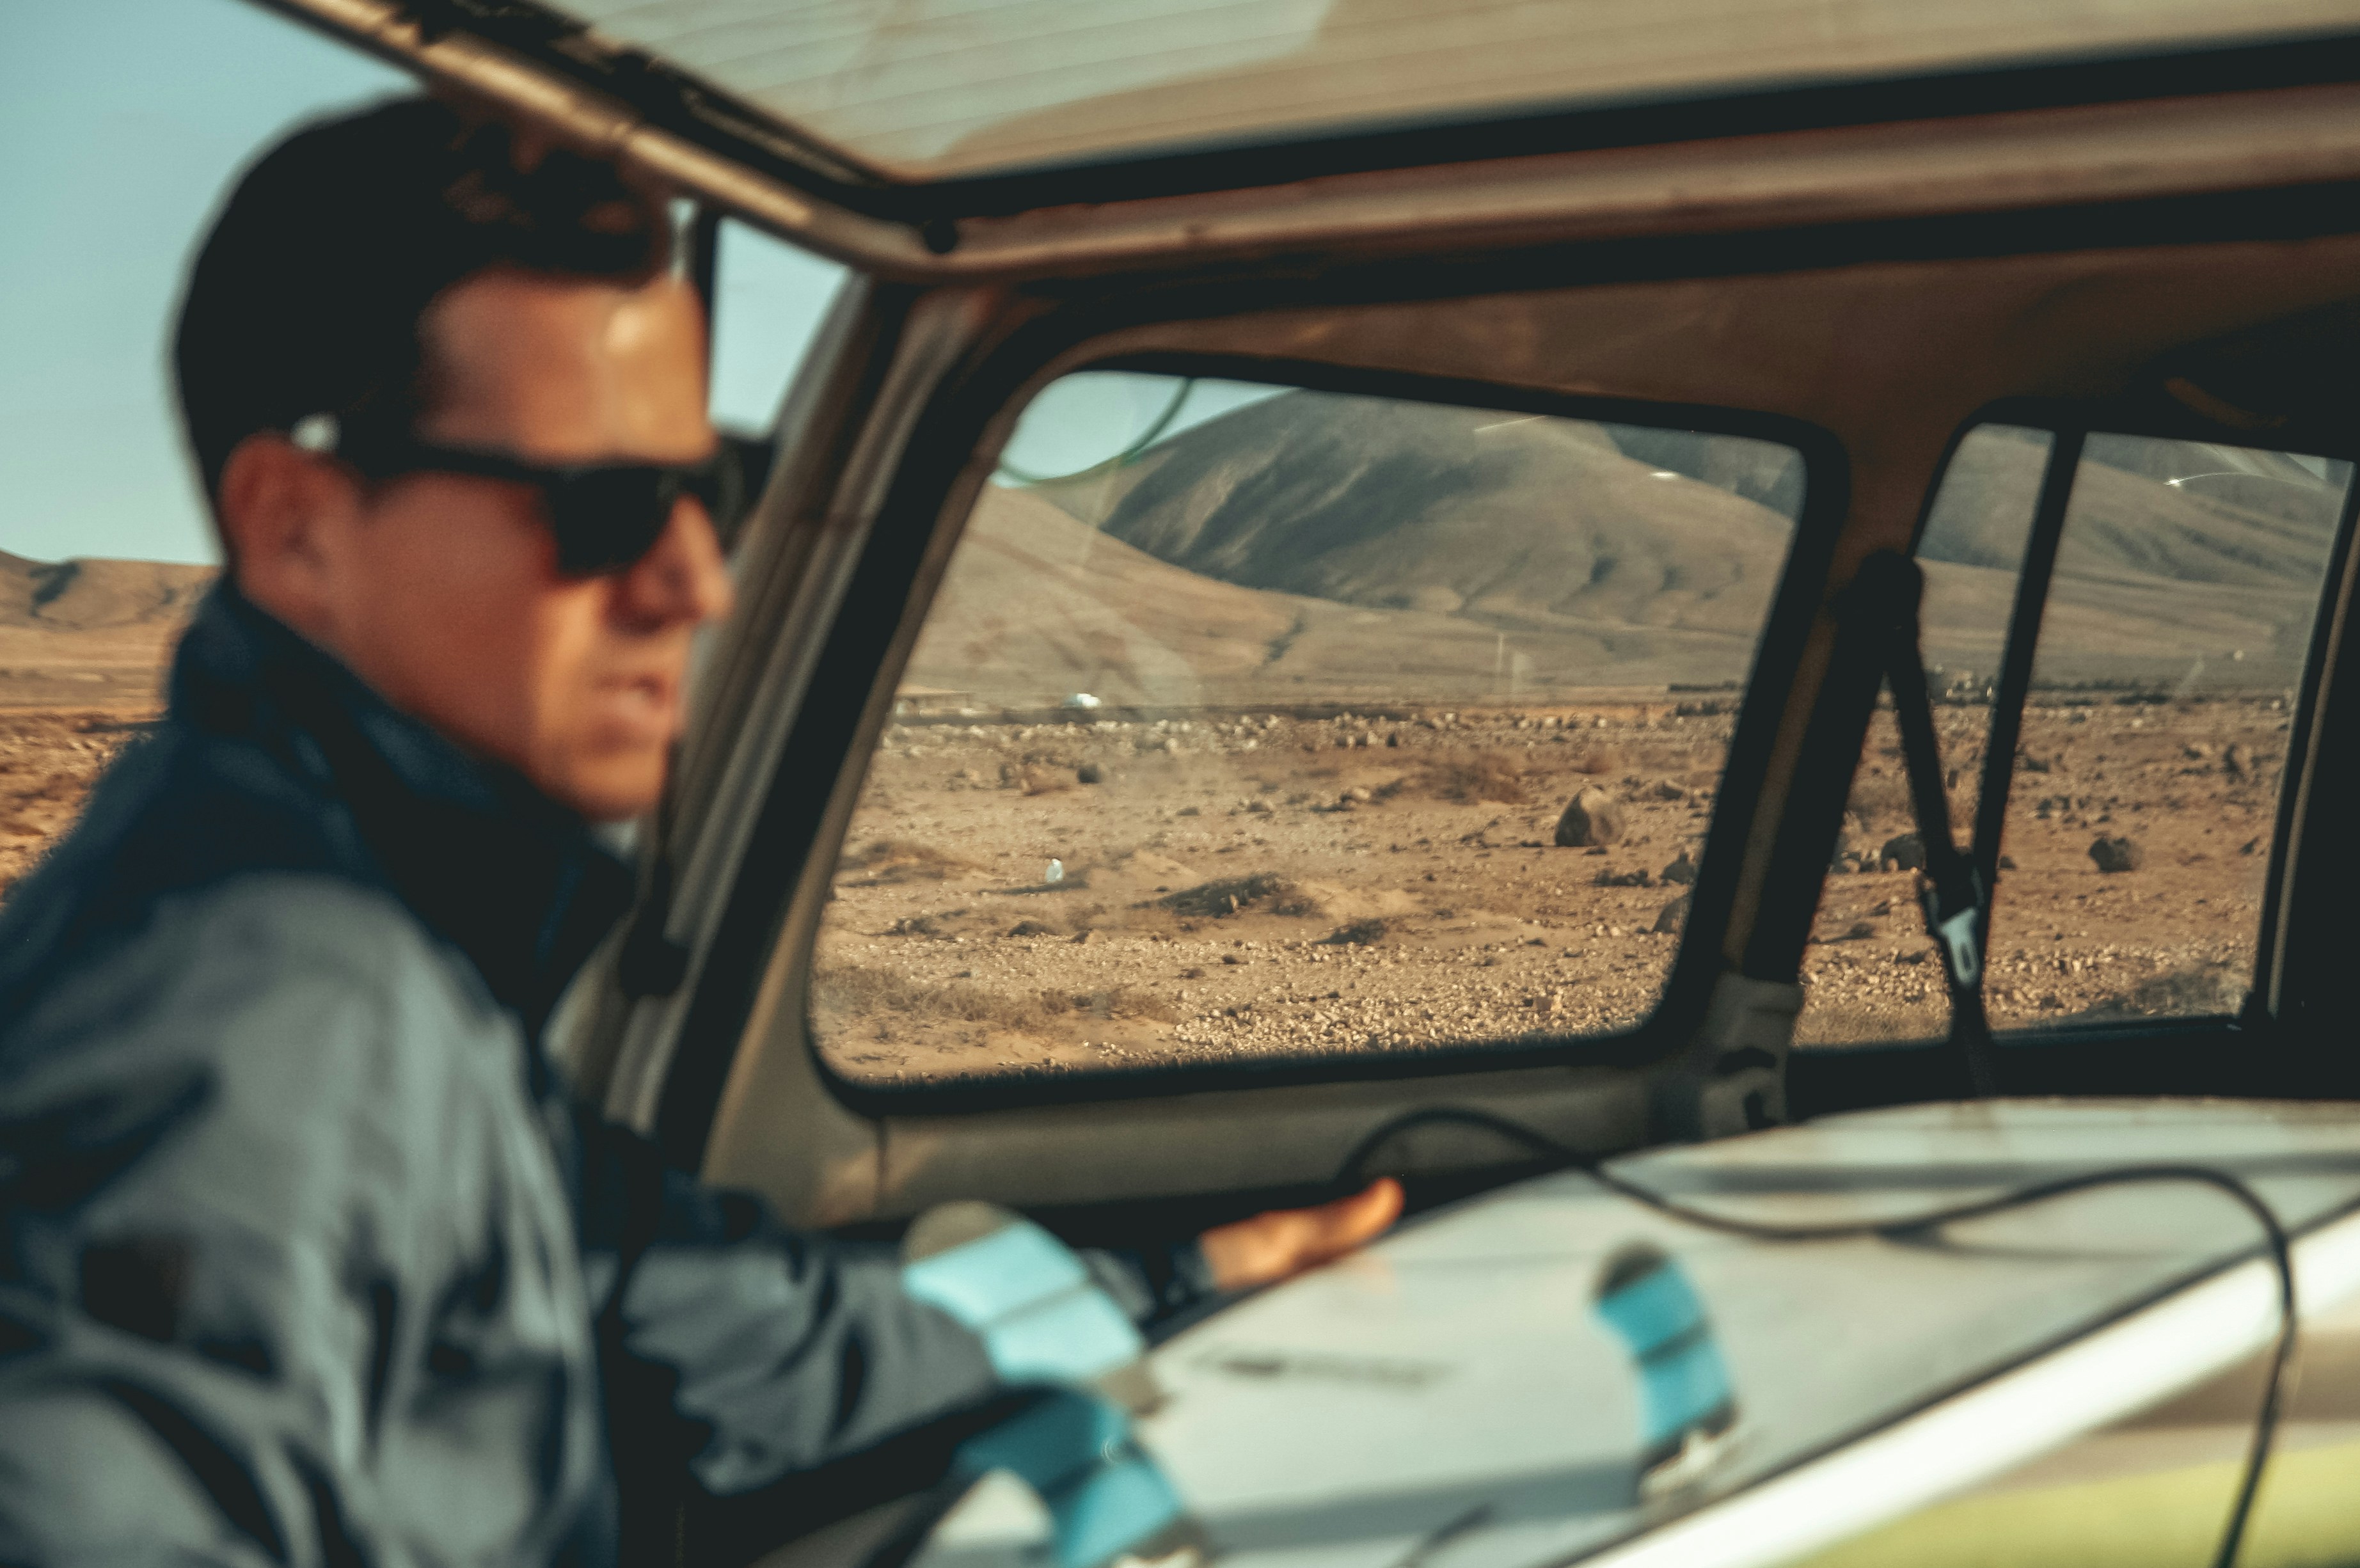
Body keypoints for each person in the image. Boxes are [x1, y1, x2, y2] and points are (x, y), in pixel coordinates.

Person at [0, 97, 1401, 1566]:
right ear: (295, 525)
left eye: (706, 492)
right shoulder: (249, 1022)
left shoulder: (399, 955)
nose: (695, 583)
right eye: (605, 504)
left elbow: (741, 1320)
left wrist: (1178, 1276)